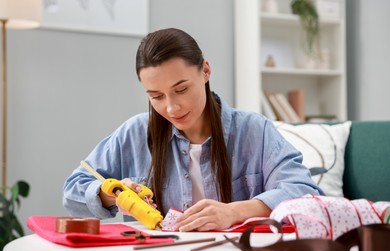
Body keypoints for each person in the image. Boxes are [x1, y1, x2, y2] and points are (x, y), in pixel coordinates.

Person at [63, 28, 323, 232]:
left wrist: (234, 212)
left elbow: (305, 192)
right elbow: (73, 191)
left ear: (205, 71)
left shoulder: (255, 131)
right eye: (156, 96)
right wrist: (113, 194)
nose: (171, 107)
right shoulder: (135, 133)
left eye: (181, 89)